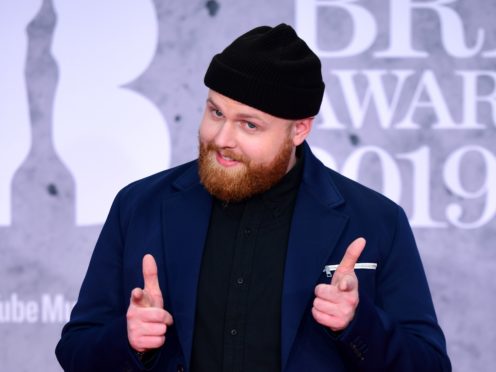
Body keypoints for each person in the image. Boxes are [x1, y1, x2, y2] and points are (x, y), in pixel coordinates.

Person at [55, 24, 451, 372]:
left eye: (249, 124)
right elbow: (75, 350)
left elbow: (430, 364)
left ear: (299, 130)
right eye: (215, 112)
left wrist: (356, 324)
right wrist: (129, 342)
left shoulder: (377, 220)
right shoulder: (138, 206)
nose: (222, 139)